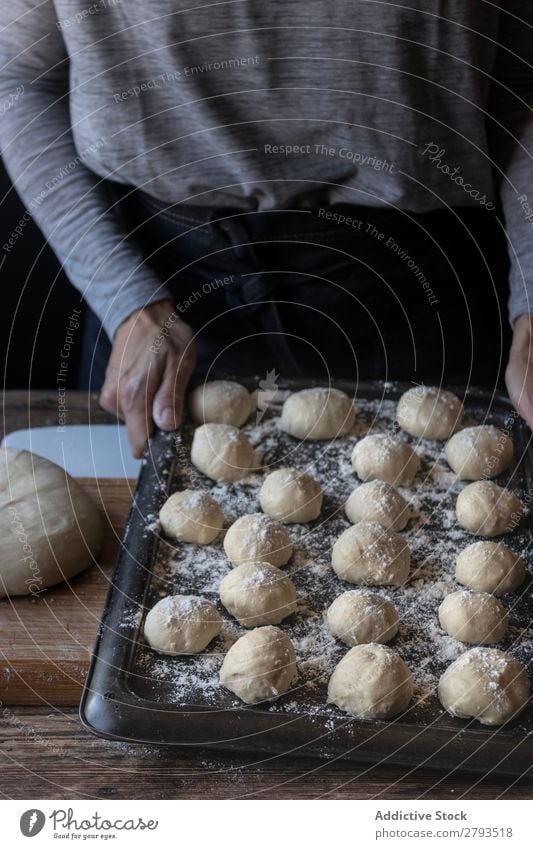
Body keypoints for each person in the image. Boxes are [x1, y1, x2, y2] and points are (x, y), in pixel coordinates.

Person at [0, 2, 532, 457]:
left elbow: (523, 71)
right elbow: (19, 76)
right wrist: (124, 298)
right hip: (162, 288)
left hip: (423, 293)